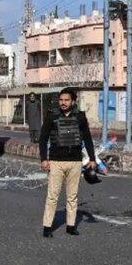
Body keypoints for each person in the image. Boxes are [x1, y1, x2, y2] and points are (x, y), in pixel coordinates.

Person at [39, 88, 97, 237]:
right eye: (61, 100)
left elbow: (88, 139)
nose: (63, 103)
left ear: (73, 101)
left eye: (66, 100)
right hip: (56, 161)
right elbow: (43, 138)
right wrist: (44, 159)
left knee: (72, 196)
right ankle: (47, 226)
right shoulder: (51, 117)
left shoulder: (80, 117)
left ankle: (71, 226)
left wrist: (92, 159)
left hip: (75, 161)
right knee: (52, 196)